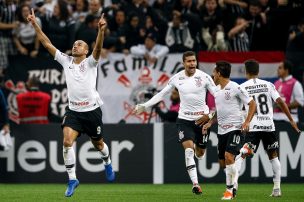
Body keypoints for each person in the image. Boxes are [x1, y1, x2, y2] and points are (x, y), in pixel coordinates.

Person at [27, 9, 115, 197]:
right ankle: (72, 179)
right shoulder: (66, 61)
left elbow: (98, 49)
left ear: (86, 50)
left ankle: (107, 162)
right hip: (73, 111)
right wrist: (35, 24)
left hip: (92, 111)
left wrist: (101, 31)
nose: (75, 46)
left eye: (80, 45)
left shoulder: (91, 62)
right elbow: (46, 42)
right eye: (75, 44)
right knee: (67, 142)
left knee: (98, 144)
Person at [134, 51, 216, 195]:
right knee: (189, 151)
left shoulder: (205, 77)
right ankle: (196, 184)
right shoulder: (176, 78)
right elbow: (161, 94)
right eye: (189, 61)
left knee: (200, 153)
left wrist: (210, 115)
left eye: (194, 61)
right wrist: (145, 105)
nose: (192, 64)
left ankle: (200, 148)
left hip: (202, 120)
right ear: (183, 63)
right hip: (184, 120)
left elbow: (219, 97)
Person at [239, 59, 301, 197]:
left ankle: (232, 188)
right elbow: (280, 102)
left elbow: (242, 109)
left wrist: (244, 122)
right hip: (268, 125)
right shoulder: (268, 85)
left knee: (242, 155)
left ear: (246, 71)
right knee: (273, 157)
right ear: (258, 71)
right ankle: (277, 189)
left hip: (253, 126)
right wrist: (291, 120)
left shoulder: (242, 87)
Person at [200, 61, 256, 200]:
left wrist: (247, 121)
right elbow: (220, 110)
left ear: (219, 73)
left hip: (235, 128)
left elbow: (252, 103)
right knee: (223, 164)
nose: (212, 74)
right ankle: (243, 152)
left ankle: (229, 191)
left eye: (214, 72)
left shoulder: (235, 87)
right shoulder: (217, 90)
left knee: (228, 157)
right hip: (221, 130)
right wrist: (211, 122)